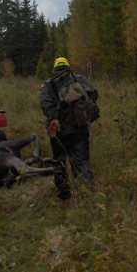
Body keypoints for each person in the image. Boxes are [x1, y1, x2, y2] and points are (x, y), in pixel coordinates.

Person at [39, 57, 98, 200]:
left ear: (54, 69)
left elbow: (45, 104)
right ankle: (84, 197)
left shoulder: (48, 85)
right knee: (82, 163)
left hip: (57, 132)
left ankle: (64, 195)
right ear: (68, 66)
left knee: (59, 163)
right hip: (79, 129)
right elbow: (94, 95)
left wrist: (54, 118)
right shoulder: (79, 79)